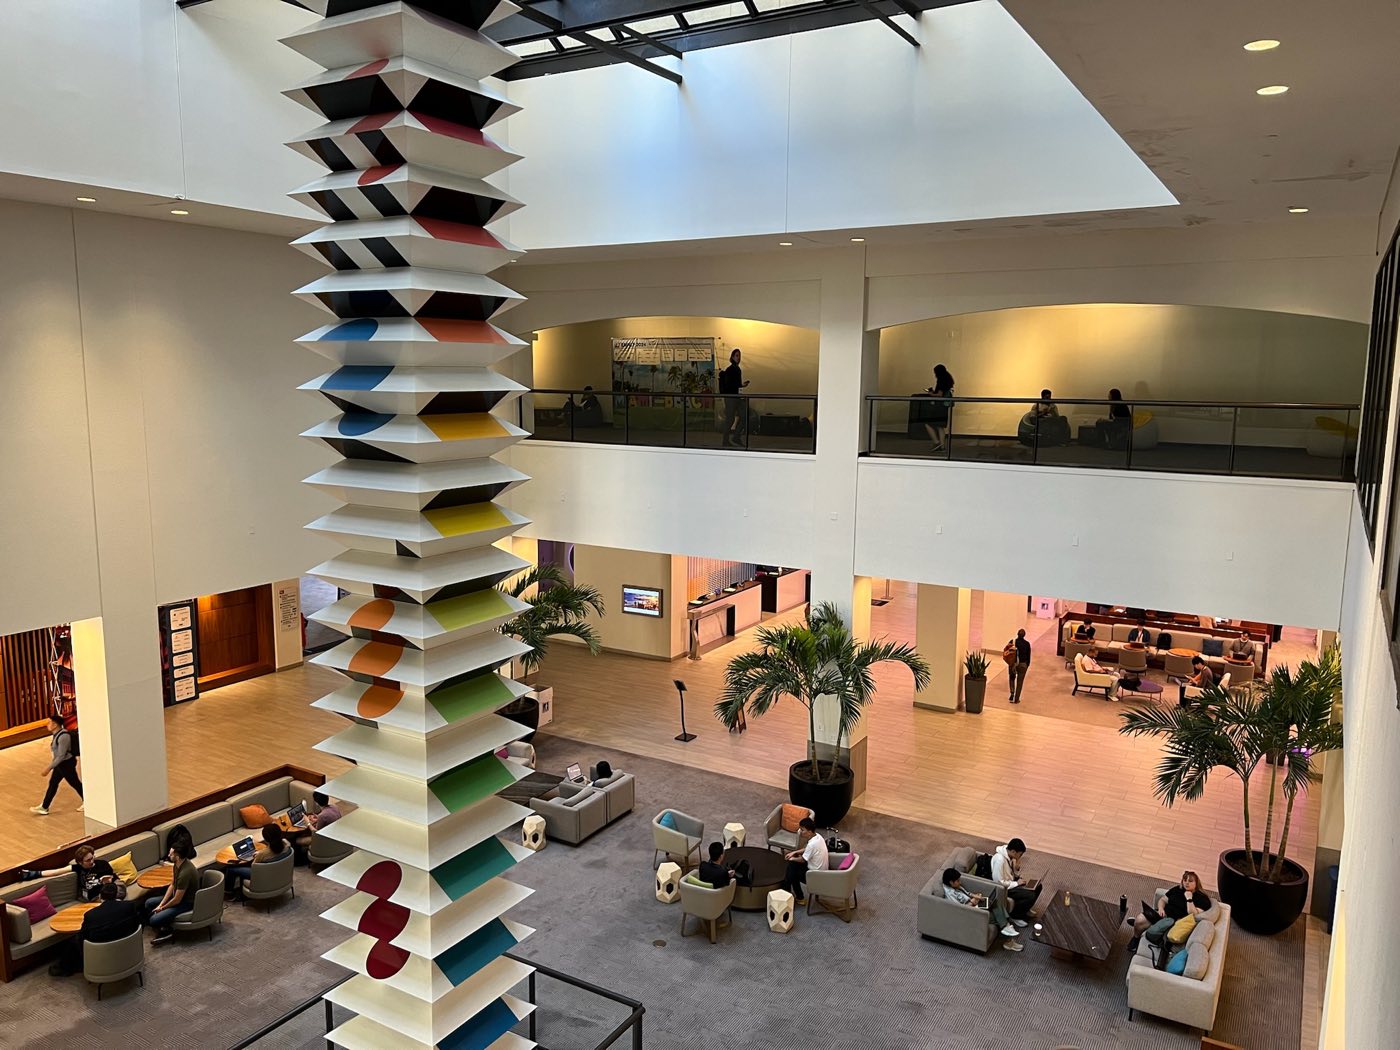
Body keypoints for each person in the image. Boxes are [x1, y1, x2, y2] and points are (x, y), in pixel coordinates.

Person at [49, 878, 140, 977]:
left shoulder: (91, 915)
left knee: (74, 941)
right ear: (116, 894)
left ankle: (67, 967)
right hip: (128, 949)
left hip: (101, 954)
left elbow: (83, 937)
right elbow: (137, 924)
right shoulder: (129, 906)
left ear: (100, 896)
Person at [1127, 870, 1212, 953]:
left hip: (1174, 924)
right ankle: (1136, 937)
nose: (1186, 883)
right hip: (1163, 915)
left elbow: (1193, 914)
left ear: (1196, 883)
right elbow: (1163, 900)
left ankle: (1142, 926)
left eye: (1190, 881)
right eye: (1184, 880)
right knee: (1140, 919)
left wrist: (1189, 898)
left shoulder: (1202, 899)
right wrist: (1161, 909)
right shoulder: (1177, 889)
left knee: (1145, 924)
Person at [941, 868, 1022, 950]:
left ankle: (1006, 927)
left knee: (995, 903)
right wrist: (972, 903)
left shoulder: (954, 886)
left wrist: (977, 897)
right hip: (970, 913)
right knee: (998, 915)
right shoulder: (950, 894)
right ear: (951, 882)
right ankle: (1007, 935)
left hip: (975, 906)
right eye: (958, 881)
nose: (960, 882)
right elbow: (959, 910)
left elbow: (967, 893)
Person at [21, 845, 125, 903]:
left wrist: (109, 882)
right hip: (96, 896)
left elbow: (115, 879)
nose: (92, 861)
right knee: (106, 902)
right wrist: (33, 874)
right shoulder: (77, 868)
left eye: (92, 857)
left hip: (113, 888)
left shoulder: (103, 864)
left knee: (117, 893)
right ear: (80, 862)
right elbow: (55, 872)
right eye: (88, 860)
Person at [143, 840, 198, 945]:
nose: (168, 855)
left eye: (171, 854)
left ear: (177, 857)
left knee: (153, 920)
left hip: (186, 902)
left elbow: (177, 900)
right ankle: (164, 925)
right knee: (149, 902)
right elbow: (172, 884)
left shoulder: (185, 873)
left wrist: (162, 908)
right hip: (177, 897)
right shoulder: (177, 865)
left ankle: (167, 931)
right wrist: (161, 904)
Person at [31, 714, 82, 816]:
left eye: (49, 722)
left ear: (55, 724)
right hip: (61, 765)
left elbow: (61, 756)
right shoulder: (56, 735)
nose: (47, 725)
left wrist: (48, 768)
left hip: (66, 764)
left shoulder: (63, 736)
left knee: (75, 783)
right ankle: (45, 806)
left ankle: (88, 800)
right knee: (53, 784)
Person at [225, 823, 292, 901]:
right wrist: (261, 852)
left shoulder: (263, 854)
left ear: (266, 839)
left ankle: (228, 893)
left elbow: (254, 868)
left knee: (231, 869)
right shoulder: (286, 844)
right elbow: (272, 852)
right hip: (280, 874)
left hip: (263, 877)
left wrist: (258, 855)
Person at [989, 837, 1042, 923]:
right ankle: (1015, 916)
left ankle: (1025, 909)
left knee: (1038, 886)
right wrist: (1016, 883)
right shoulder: (1000, 860)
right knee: (1030, 896)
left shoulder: (1009, 855)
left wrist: (1016, 870)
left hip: (1012, 881)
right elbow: (999, 882)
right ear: (1013, 851)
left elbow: (1009, 872)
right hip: (1006, 888)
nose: (1020, 857)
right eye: (1020, 855)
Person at [782, 817, 828, 904]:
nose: (800, 832)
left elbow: (803, 860)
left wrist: (791, 858)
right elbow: (807, 849)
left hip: (815, 875)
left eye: (802, 830)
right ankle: (788, 890)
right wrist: (794, 852)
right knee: (792, 867)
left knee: (792, 871)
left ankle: (794, 894)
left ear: (810, 831)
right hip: (821, 871)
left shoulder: (812, 844)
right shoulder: (818, 837)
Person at [293, 791, 342, 862]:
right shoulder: (334, 807)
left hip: (326, 840)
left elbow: (315, 832)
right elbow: (328, 818)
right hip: (335, 835)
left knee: (297, 840)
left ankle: (300, 860)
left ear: (316, 802)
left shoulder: (322, 816)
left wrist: (308, 822)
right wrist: (318, 817)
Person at [718, 347, 750, 447]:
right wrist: (739, 385)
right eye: (736, 355)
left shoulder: (737, 369)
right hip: (730, 397)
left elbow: (735, 383)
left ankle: (736, 437)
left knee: (744, 416)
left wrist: (741, 385)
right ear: (732, 357)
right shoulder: (730, 369)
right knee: (730, 419)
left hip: (736, 396)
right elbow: (730, 384)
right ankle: (725, 440)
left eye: (739, 356)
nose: (738, 358)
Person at [922, 364, 955, 452]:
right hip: (944, 406)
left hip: (939, 406)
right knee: (940, 426)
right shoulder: (948, 379)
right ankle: (942, 446)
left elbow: (939, 395)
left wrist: (931, 394)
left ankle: (936, 442)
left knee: (928, 424)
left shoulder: (941, 380)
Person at [1008, 628, 1031, 704]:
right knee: (1020, 682)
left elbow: (1007, 652)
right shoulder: (1027, 644)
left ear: (1017, 634)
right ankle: (1016, 699)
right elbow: (1028, 656)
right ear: (1024, 635)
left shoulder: (1013, 642)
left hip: (1013, 664)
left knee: (1012, 678)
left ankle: (1012, 693)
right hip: (1023, 664)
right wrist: (1027, 665)